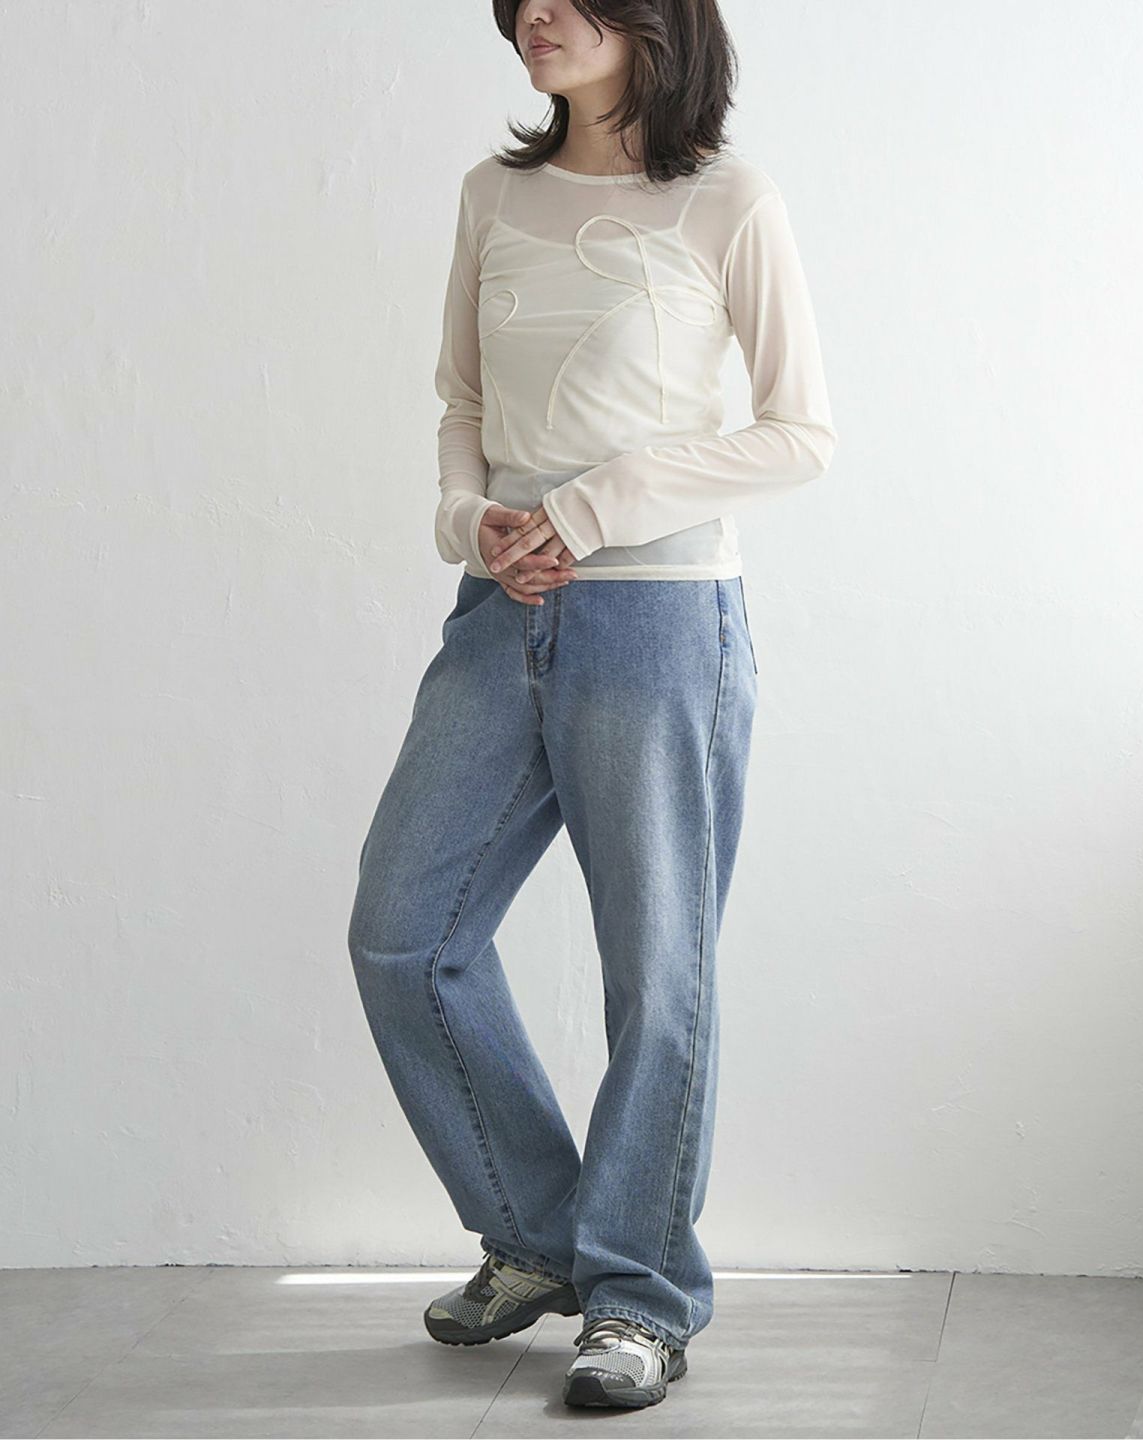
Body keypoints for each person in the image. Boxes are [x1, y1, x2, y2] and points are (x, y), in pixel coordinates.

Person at [347, 0, 837, 1412]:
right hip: (502, 610)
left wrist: (594, 502)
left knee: (657, 973)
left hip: (661, 619)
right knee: (404, 933)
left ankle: (639, 1299)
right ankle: (540, 1236)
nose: (535, 16)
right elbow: (461, 406)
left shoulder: (729, 201)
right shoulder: (493, 194)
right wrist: (473, 523)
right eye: (521, 1)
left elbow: (800, 434)